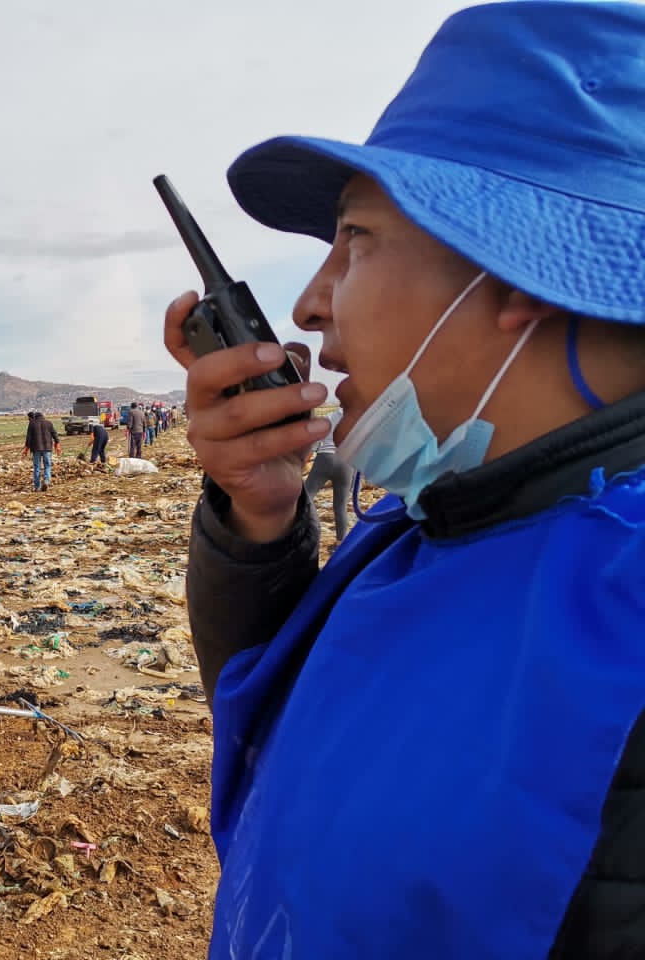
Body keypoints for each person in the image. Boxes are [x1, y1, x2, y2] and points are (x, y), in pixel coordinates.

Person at [167, 4, 645, 958]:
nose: (311, 302)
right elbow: (282, 726)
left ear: (519, 271)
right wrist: (260, 516)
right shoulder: (429, 525)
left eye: (356, 241)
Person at [302, 409, 354, 539]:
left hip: (325, 459)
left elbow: (315, 443)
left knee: (307, 496)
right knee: (341, 505)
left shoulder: (329, 417)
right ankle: (340, 542)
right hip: (346, 463)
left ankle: (312, 532)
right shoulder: (355, 419)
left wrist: (310, 454)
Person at [23, 410, 60, 492]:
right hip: (47, 448)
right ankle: (46, 481)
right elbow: (55, 434)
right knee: (47, 465)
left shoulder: (32, 424)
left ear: (35, 417)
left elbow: (28, 438)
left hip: (36, 449)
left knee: (37, 467)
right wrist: (57, 444)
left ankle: (37, 487)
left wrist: (26, 449)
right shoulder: (49, 423)